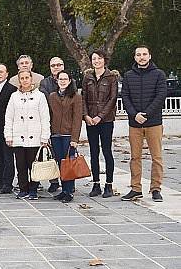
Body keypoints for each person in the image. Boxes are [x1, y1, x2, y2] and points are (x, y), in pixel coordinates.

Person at [120, 45, 167, 202]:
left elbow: (161, 96)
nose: (141, 57)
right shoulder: (128, 76)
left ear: (149, 56)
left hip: (153, 122)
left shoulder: (159, 75)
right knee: (135, 157)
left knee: (157, 157)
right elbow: (125, 97)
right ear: (134, 58)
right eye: (138, 54)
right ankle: (136, 188)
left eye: (144, 54)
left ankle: (156, 188)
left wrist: (146, 114)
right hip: (135, 124)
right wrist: (135, 115)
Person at [4, 70, 50, 200]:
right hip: (19, 136)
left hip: (35, 136)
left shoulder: (40, 96)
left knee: (34, 165)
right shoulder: (14, 96)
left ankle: (34, 189)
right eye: (22, 78)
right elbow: (9, 117)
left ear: (31, 79)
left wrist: (45, 136)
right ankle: (23, 189)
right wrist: (8, 135)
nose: (25, 80)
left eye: (27, 78)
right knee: (21, 165)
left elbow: (45, 117)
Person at [82, 50, 118, 198]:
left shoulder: (111, 77)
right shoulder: (87, 77)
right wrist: (86, 116)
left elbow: (113, 98)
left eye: (99, 58)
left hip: (106, 120)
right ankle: (96, 184)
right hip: (90, 120)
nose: (96, 61)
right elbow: (83, 97)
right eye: (94, 59)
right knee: (94, 152)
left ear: (104, 60)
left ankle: (108, 185)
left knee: (107, 151)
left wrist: (100, 117)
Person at [39, 56, 74, 193]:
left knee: (68, 157)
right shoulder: (45, 83)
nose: (56, 67)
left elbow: (73, 102)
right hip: (51, 122)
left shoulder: (71, 82)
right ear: (50, 67)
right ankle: (54, 181)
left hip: (66, 125)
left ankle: (69, 185)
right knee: (53, 155)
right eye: (53, 65)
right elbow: (45, 101)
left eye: (59, 64)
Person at [47, 70, 83, 203]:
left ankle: (69, 191)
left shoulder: (76, 96)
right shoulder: (52, 96)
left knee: (69, 163)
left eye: (65, 79)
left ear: (69, 81)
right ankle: (63, 190)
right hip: (56, 134)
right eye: (60, 79)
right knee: (60, 162)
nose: (62, 81)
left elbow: (77, 119)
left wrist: (75, 139)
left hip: (68, 135)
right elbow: (49, 116)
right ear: (56, 81)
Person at [0, 64, 17, 193]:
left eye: (1, 72)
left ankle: (8, 183)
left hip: (7, 128)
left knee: (7, 156)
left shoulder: (12, 89)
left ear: (7, 74)